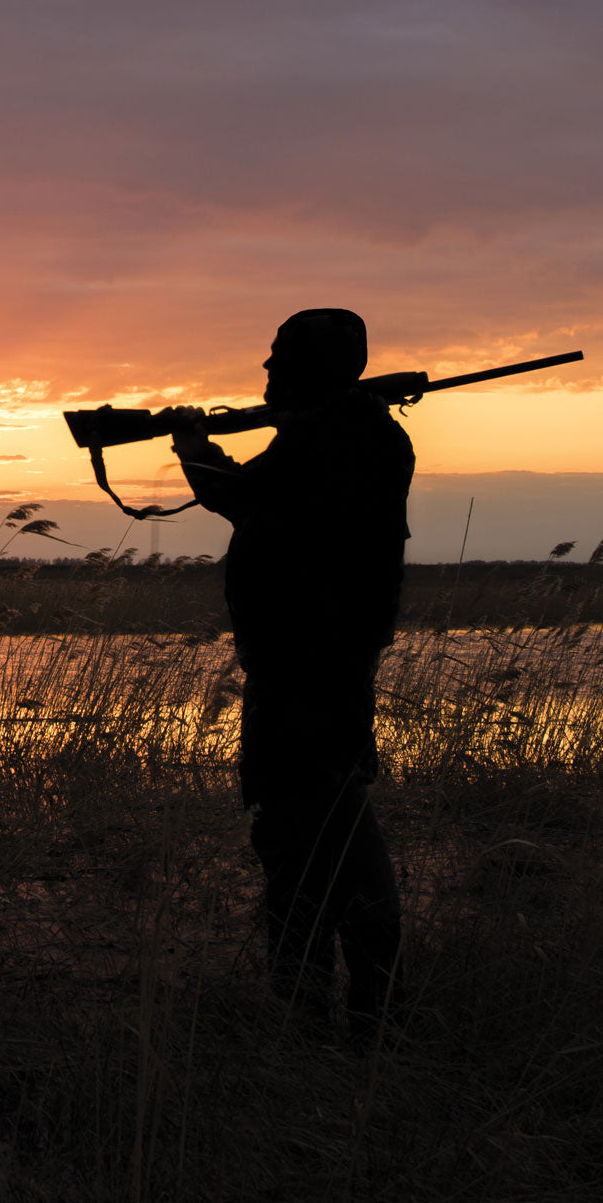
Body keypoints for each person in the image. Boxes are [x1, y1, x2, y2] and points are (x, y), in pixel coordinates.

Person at [169, 308, 414, 1045]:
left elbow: (250, 501)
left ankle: (339, 1015)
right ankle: (338, 1012)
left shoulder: (344, 439)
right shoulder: (342, 433)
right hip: (308, 670)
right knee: (312, 827)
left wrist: (193, 448)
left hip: (314, 674)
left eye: (280, 360)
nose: (267, 373)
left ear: (313, 369)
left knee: (314, 830)